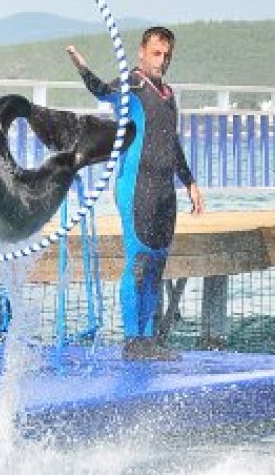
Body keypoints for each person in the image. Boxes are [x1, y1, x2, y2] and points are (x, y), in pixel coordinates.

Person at [66, 26, 204, 360]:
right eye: (157, 53)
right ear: (142, 52)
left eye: (167, 54)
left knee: (158, 262)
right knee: (139, 260)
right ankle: (132, 340)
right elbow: (102, 92)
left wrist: (189, 182)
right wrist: (82, 68)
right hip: (136, 186)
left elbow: (172, 144)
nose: (162, 60)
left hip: (164, 190)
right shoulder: (133, 84)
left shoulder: (168, 94)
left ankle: (148, 339)